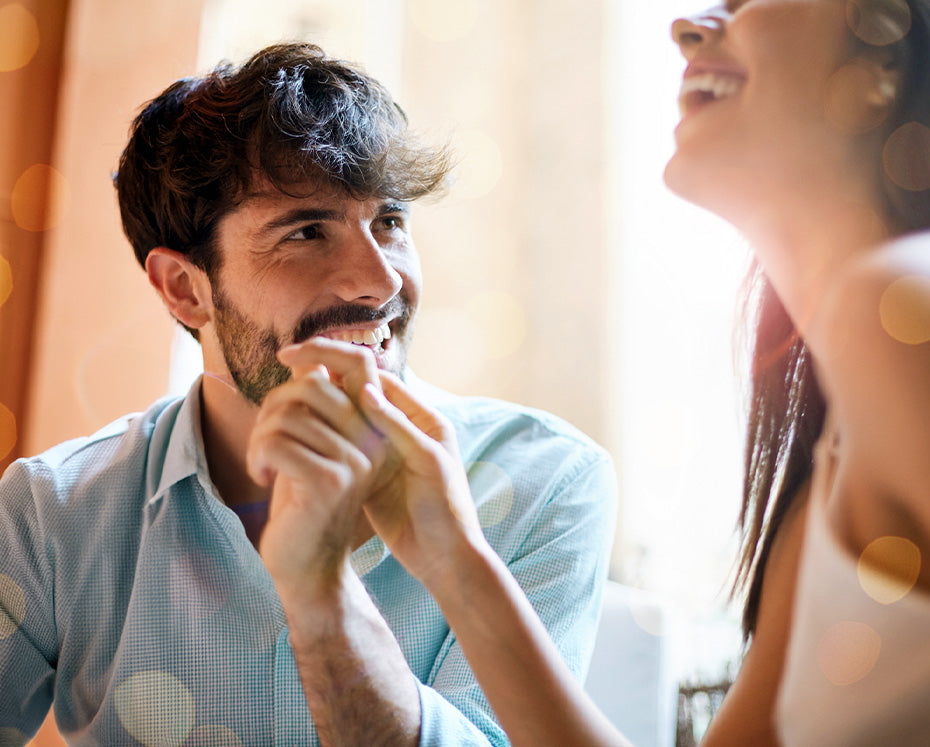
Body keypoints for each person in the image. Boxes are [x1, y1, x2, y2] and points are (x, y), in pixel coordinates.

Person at [338, 1, 930, 745]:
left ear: (891, 51)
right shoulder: (836, 460)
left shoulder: (923, 312)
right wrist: (454, 559)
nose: (688, 26)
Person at [0, 43, 616, 746]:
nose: (380, 283)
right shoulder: (52, 515)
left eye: (389, 221)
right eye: (306, 231)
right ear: (185, 288)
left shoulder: (547, 481)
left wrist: (322, 597)